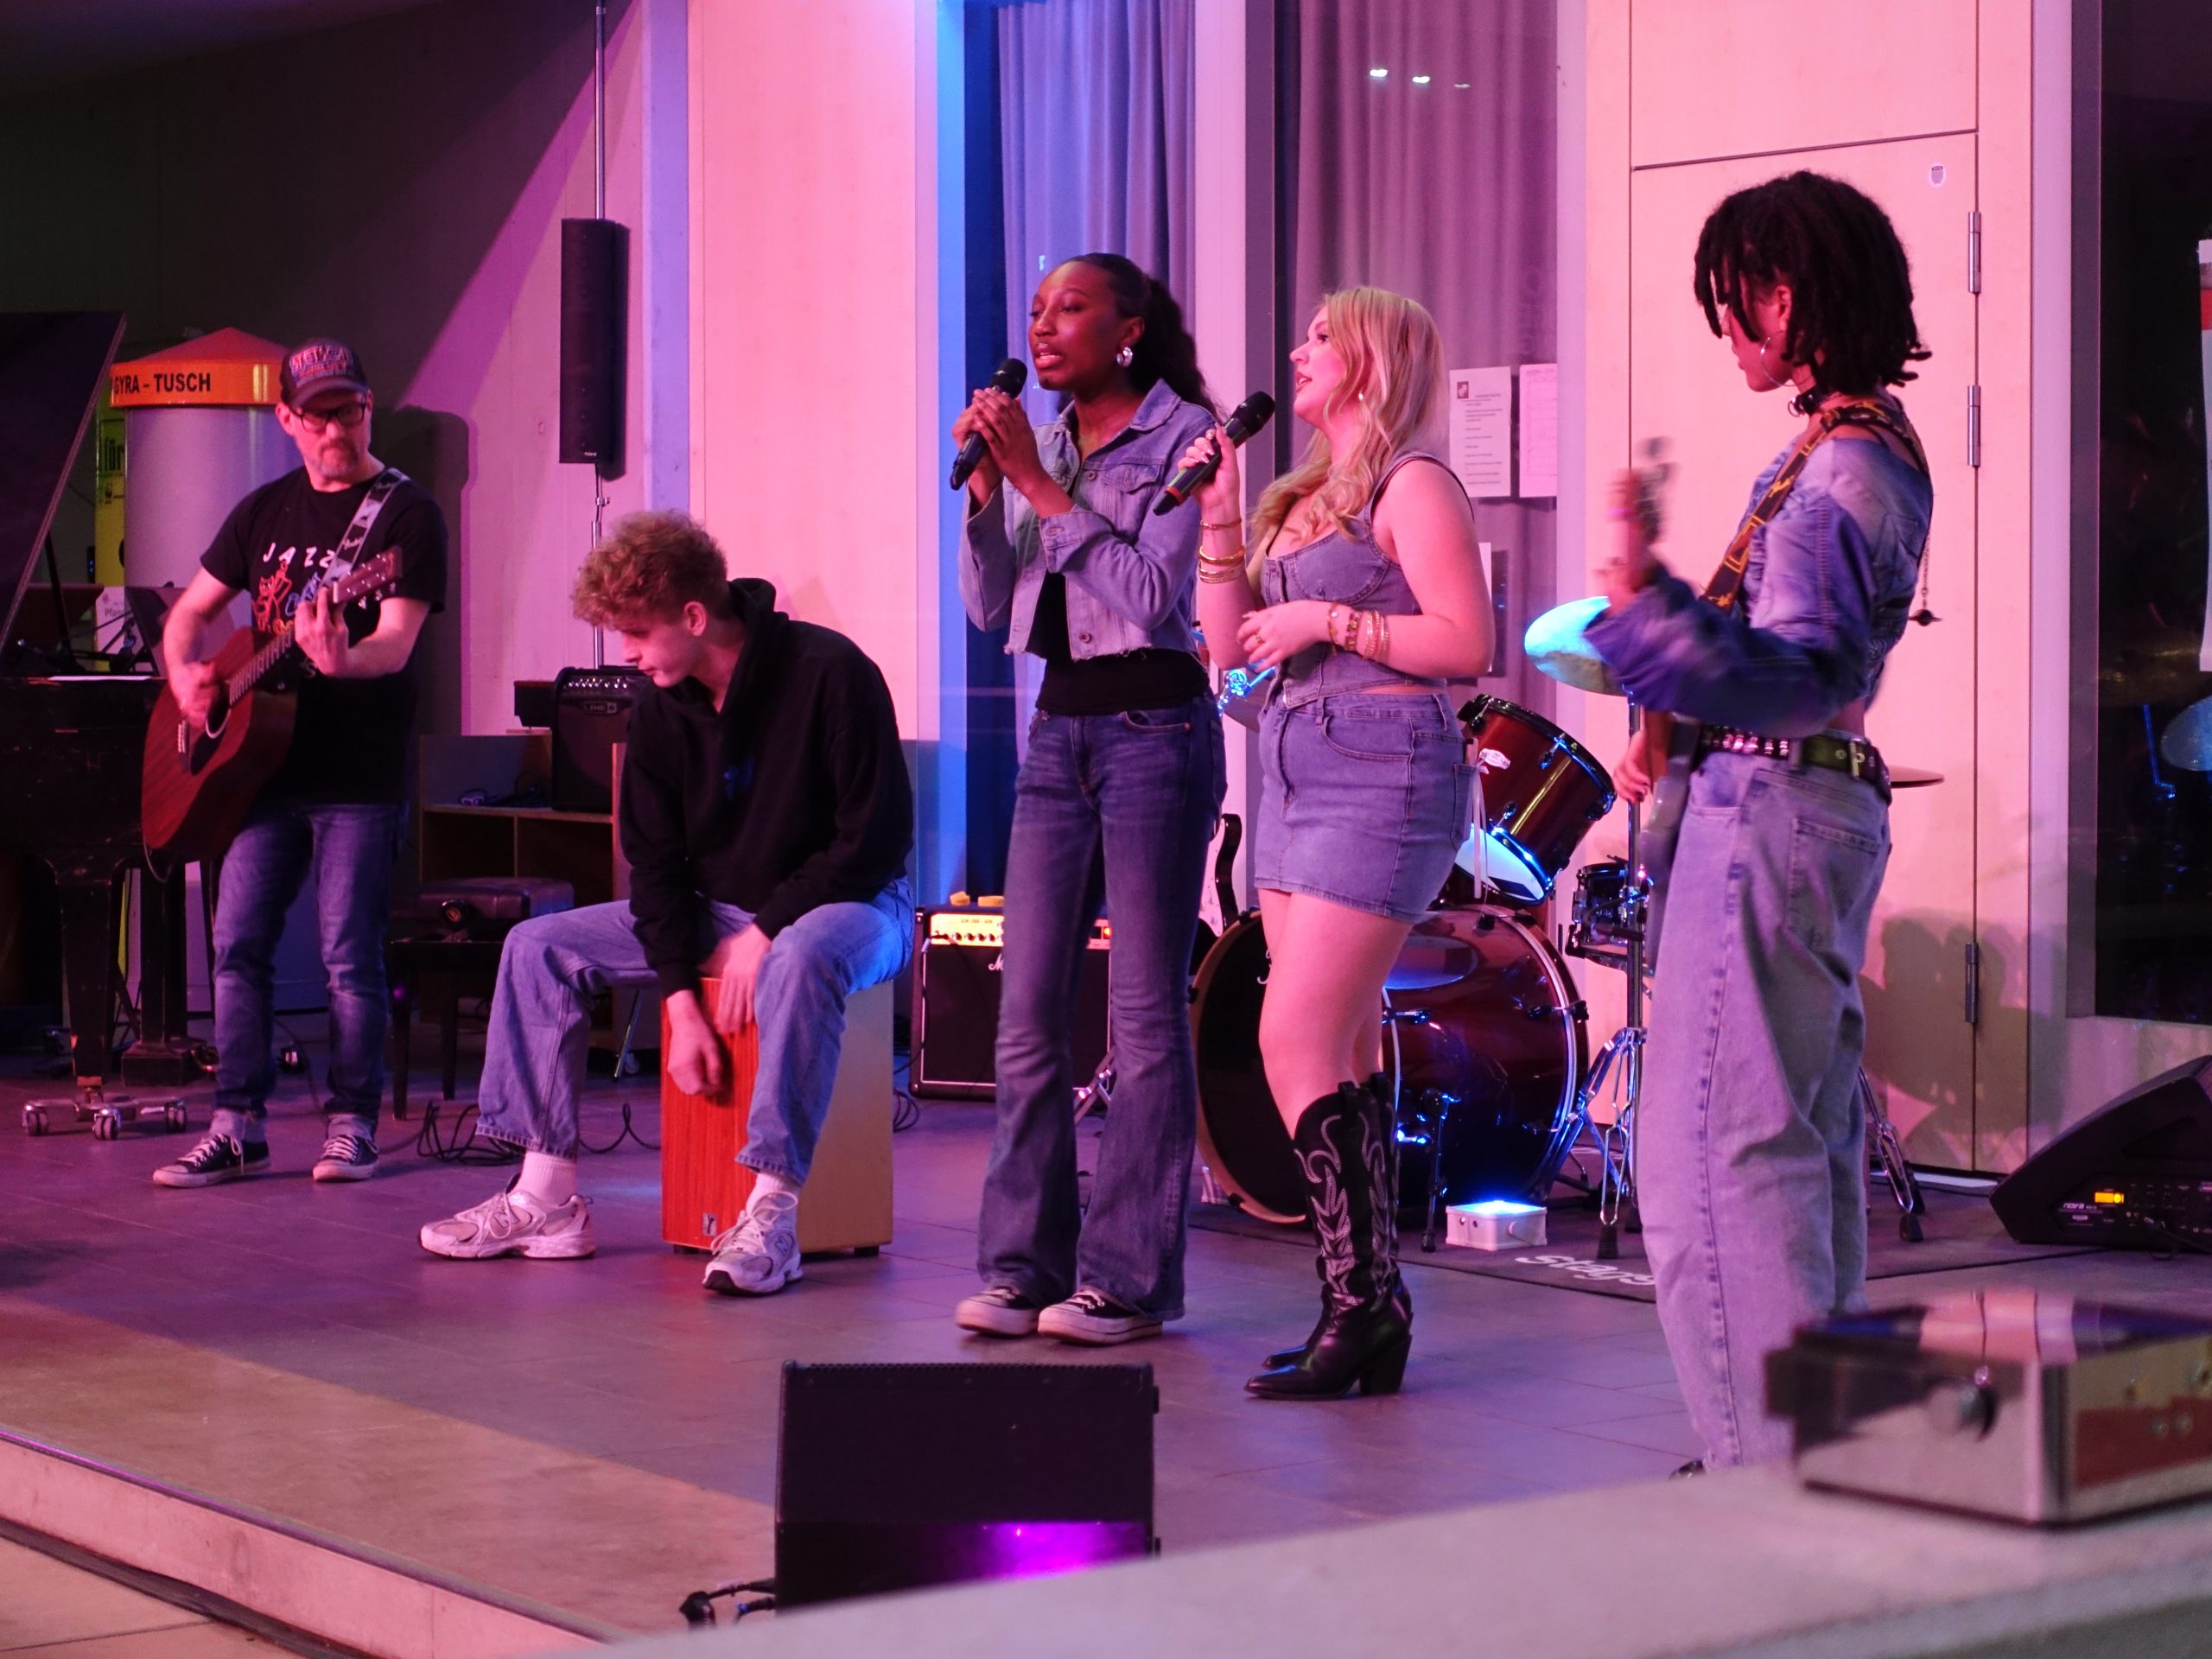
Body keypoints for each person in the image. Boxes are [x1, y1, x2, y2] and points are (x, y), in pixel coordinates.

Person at [1586, 171, 1934, 1468]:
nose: (1727, 330)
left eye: (1733, 302)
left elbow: (1795, 676)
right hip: (1806, 808)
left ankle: (1767, 1476)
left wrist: (1646, 614)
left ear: (1782, 298)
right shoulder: (1869, 444)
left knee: (1714, 1163)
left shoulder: (1838, 467)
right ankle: (1821, 1455)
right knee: (1796, 1150)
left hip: (1772, 806)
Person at [418, 512, 913, 1291]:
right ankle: (545, 1197)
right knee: (537, 946)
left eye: (637, 633)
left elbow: (872, 840)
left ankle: (774, 1212)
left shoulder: (831, 672)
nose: (626, 653)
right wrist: (680, 999)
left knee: (800, 953)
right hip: (724, 910)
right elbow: (655, 867)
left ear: (693, 615)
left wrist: (769, 928)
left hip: (859, 906)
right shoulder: (658, 708)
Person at [1183, 287, 1493, 1399]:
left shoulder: (1414, 485)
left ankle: (1361, 1305)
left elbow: (1466, 641)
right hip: (1291, 770)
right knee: (1344, 1047)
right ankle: (1367, 1309)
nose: (1298, 349)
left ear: (1370, 361)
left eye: (1322, 336)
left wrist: (1327, 620)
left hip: (1381, 771)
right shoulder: (1297, 498)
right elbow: (1229, 653)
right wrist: (1220, 519)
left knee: (1293, 1035)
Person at [950, 253, 1224, 1346]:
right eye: (1035, 311)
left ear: (1128, 329)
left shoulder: (1187, 437)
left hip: (1155, 728)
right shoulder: (1044, 444)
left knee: (1145, 1018)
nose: (1044, 327)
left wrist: (1035, 486)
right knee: (1026, 1018)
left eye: (1070, 309)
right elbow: (991, 609)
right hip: (1054, 732)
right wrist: (988, 493)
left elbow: (1153, 595)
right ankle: (1022, 1268)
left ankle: (1128, 1282)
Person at [153, 339, 447, 1188]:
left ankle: (352, 1124)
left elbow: (395, 642)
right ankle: (237, 1126)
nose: (335, 430)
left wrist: (342, 660)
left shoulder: (405, 517)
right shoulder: (262, 512)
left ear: (368, 406)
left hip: (358, 775)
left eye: (348, 410)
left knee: (348, 957)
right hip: (262, 775)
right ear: (285, 419)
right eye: (317, 416)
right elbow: (188, 615)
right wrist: (187, 680)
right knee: (237, 945)